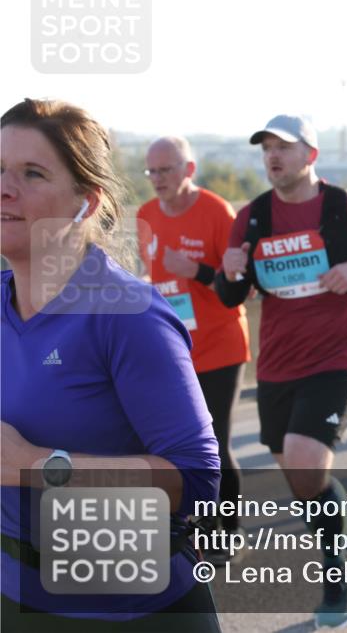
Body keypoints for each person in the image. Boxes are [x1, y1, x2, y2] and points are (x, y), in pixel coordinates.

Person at [1, 98, 221, 631]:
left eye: (32, 173)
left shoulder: (128, 315)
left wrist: (37, 466)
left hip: (132, 609)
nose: (5, 188)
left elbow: (197, 479)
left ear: (86, 201)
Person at [214, 114, 347, 628]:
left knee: (305, 462)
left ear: (310, 155)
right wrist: (228, 272)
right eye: (266, 148)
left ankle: (338, 582)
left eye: (284, 146)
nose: (273, 156)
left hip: (337, 357)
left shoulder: (346, 208)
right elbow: (232, 295)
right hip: (277, 365)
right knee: (301, 480)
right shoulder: (252, 217)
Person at [137, 137, 251, 565]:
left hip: (220, 345)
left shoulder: (218, 212)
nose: (157, 178)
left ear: (189, 169)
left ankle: (229, 532)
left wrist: (198, 271)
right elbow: (152, 276)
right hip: (172, 348)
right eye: (151, 171)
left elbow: (239, 288)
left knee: (214, 443)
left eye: (165, 169)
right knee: (179, 447)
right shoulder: (146, 215)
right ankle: (200, 533)